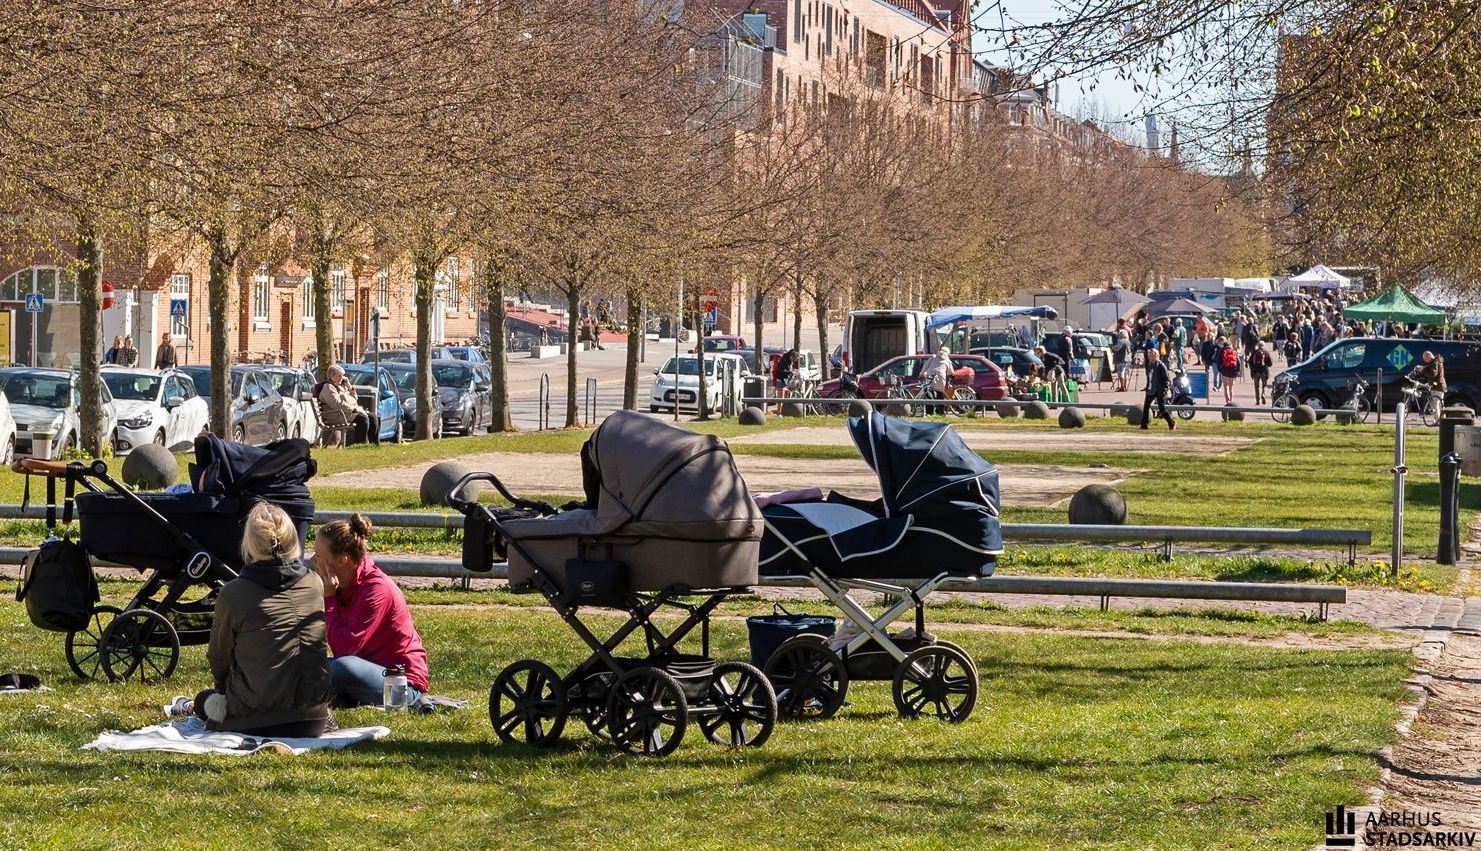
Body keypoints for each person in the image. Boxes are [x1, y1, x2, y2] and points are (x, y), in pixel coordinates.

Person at [189, 502, 333, 737]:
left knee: (204, 700)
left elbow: (219, 656)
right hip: (312, 718)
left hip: (254, 717)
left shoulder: (233, 594)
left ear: (250, 543)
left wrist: (224, 691)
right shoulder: (314, 582)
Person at [314, 514, 429, 708]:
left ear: (342, 560)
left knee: (340, 668)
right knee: (304, 665)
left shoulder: (376, 589)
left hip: (402, 687)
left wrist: (329, 599)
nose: (313, 560)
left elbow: (345, 650)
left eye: (318, 556)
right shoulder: (342, 585)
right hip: (367, 674)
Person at [316, 365, 369, 446]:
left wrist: (349, 386)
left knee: (373, 417)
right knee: (362, 419)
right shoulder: (328, 387)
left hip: (345, 413)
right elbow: (337, 404)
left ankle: (373, 445)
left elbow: (355, 398)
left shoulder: (342, 386)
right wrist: (354, 409)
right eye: (338, 376)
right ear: (331, 376)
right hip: (335, 415)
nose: (341, 378)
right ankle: (361, 445)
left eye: (342, 376)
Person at [1141, 349, 1176, 431]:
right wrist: (1147, 387)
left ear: (1155, 355)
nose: (1149, 357)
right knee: (1146, 407)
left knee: (1162, 409)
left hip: (1159, 390)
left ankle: (1172, 423)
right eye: (1148, 355)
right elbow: (1150, 378)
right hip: (1151, 390)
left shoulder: (1161, 365)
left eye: (1150, 355)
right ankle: (1144, 425)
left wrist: (1165, 390)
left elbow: (1167, 379)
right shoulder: (1150, 365)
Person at [1216, 335, 1240, 404]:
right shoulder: (1234, 351)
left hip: (1225, 371)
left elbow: (1218, 362)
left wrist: (1220, 370)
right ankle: (1231, 401)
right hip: (1233, 371)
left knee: (1226, 387)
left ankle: (1227, 402)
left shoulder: (1221, 351)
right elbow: (1238, 362)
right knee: (1231, 388)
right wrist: (1238, 370)